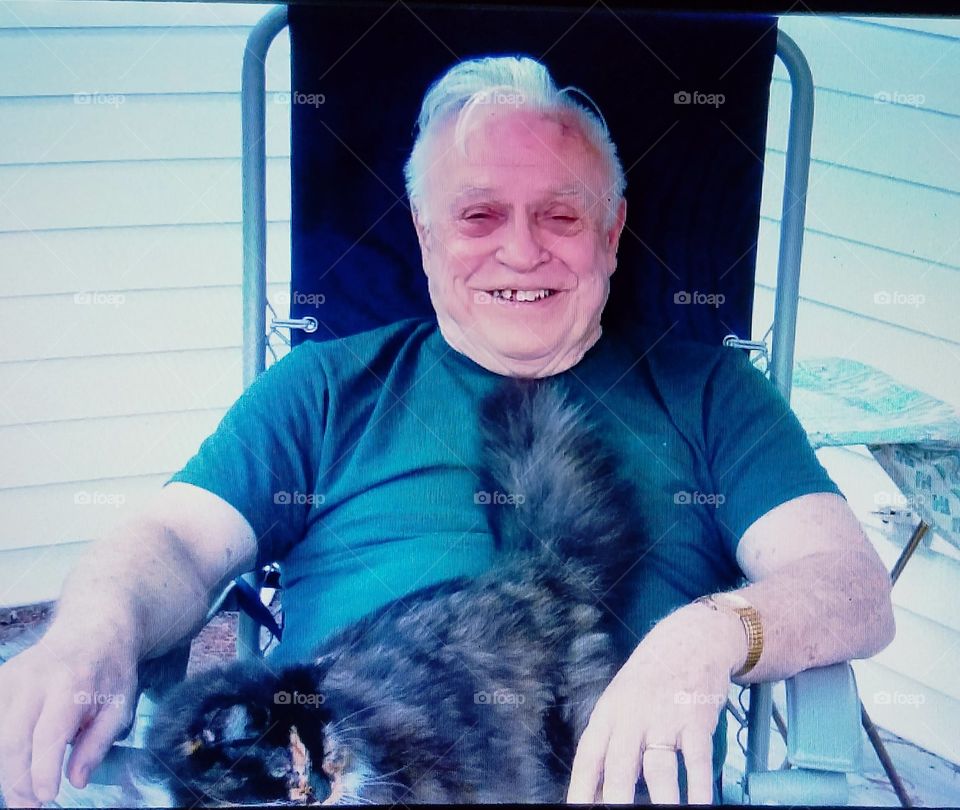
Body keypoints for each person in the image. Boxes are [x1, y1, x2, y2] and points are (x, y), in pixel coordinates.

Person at [0, 56, 895, 807]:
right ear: (426, 235)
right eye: (478, 215)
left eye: (561, 214)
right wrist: (90, 632)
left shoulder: (712, 393)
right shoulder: (323, 387)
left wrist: (707, 636)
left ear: (614, 233)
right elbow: (173, 541)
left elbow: (852, 585)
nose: (521, 251)